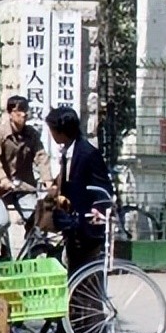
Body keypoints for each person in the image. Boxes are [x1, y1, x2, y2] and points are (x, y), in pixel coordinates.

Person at [45, 105, 114, 274]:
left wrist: (97, 209)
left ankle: (89, 301)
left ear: (61, 131)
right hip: (73, 223)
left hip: (86, 225)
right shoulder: (68, 151)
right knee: (74, 270)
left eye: (52, 130)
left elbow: (104, 187)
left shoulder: (88, 153)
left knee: (86, 275)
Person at [0, 96, 53, 255]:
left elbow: (41, 156)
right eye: (19, 111)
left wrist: (48, 180)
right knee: (2, 221)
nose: (24, 114)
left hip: (22, 186)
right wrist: (2, 179)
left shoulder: (31, 134)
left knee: (38, 219)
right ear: (10, 113)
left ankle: (30, 255)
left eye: (26, 110)